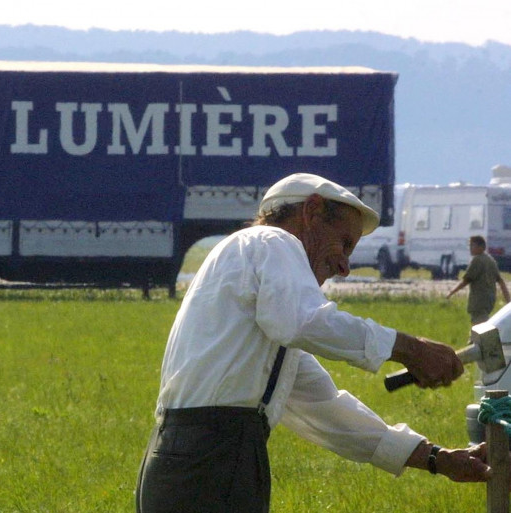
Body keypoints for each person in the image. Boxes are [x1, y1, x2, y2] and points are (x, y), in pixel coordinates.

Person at [135, 173, 492, 513]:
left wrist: (437, 458)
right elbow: (305, 320)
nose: (344, 266)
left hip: (194, 460)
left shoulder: (263, 311)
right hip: (211, 461)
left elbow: (327, 409)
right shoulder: (271, 241)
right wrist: (411, 349)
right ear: (312, 211)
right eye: (344, 243)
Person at [447, 235, 511, 325]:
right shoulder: (491, 260)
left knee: (479, 327)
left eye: (472, 246)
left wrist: (451, 292)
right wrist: (508, 300)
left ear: (481, 247)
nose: (470, 248)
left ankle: (478, 339)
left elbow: (466, 280)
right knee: (482, 325)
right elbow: (501, 282)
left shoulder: (477, 260)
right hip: (489, 301)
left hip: (479, 301)